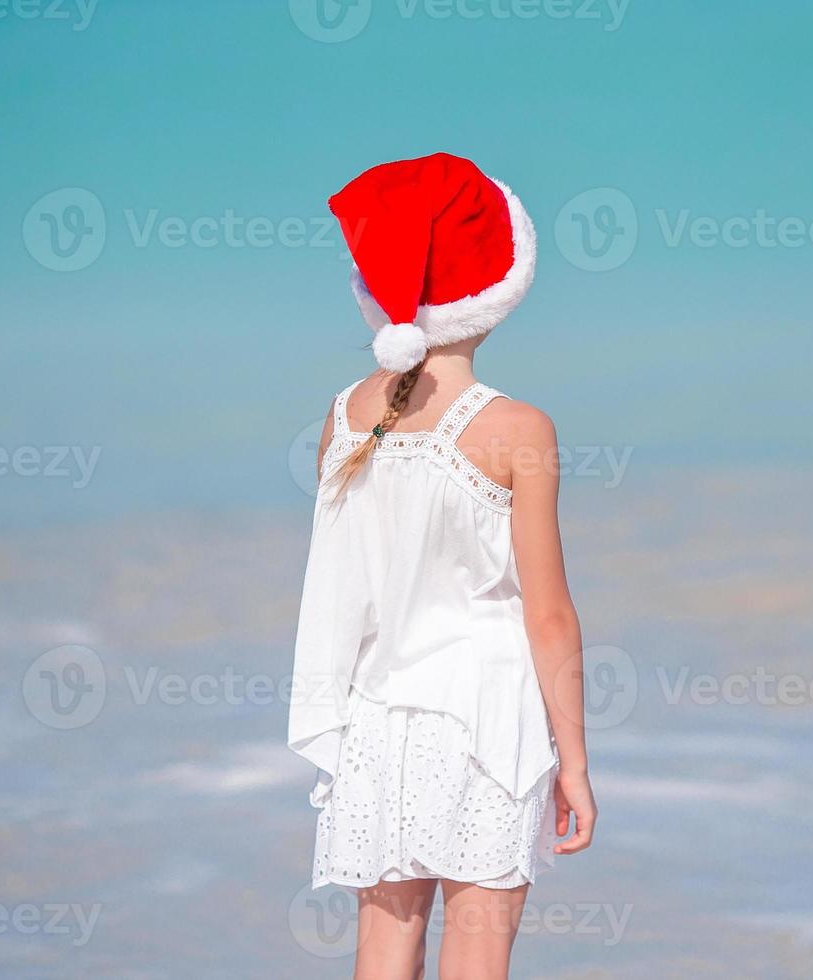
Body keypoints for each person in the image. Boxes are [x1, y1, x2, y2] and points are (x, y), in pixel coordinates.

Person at [288, 153, 597, 980]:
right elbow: (549, 614)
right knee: (477, 954)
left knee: (383, 956)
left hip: (377, 720)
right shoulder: (517, 429)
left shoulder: (345, 416)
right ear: (502, 286)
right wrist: (573, 759)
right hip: (484, 718)